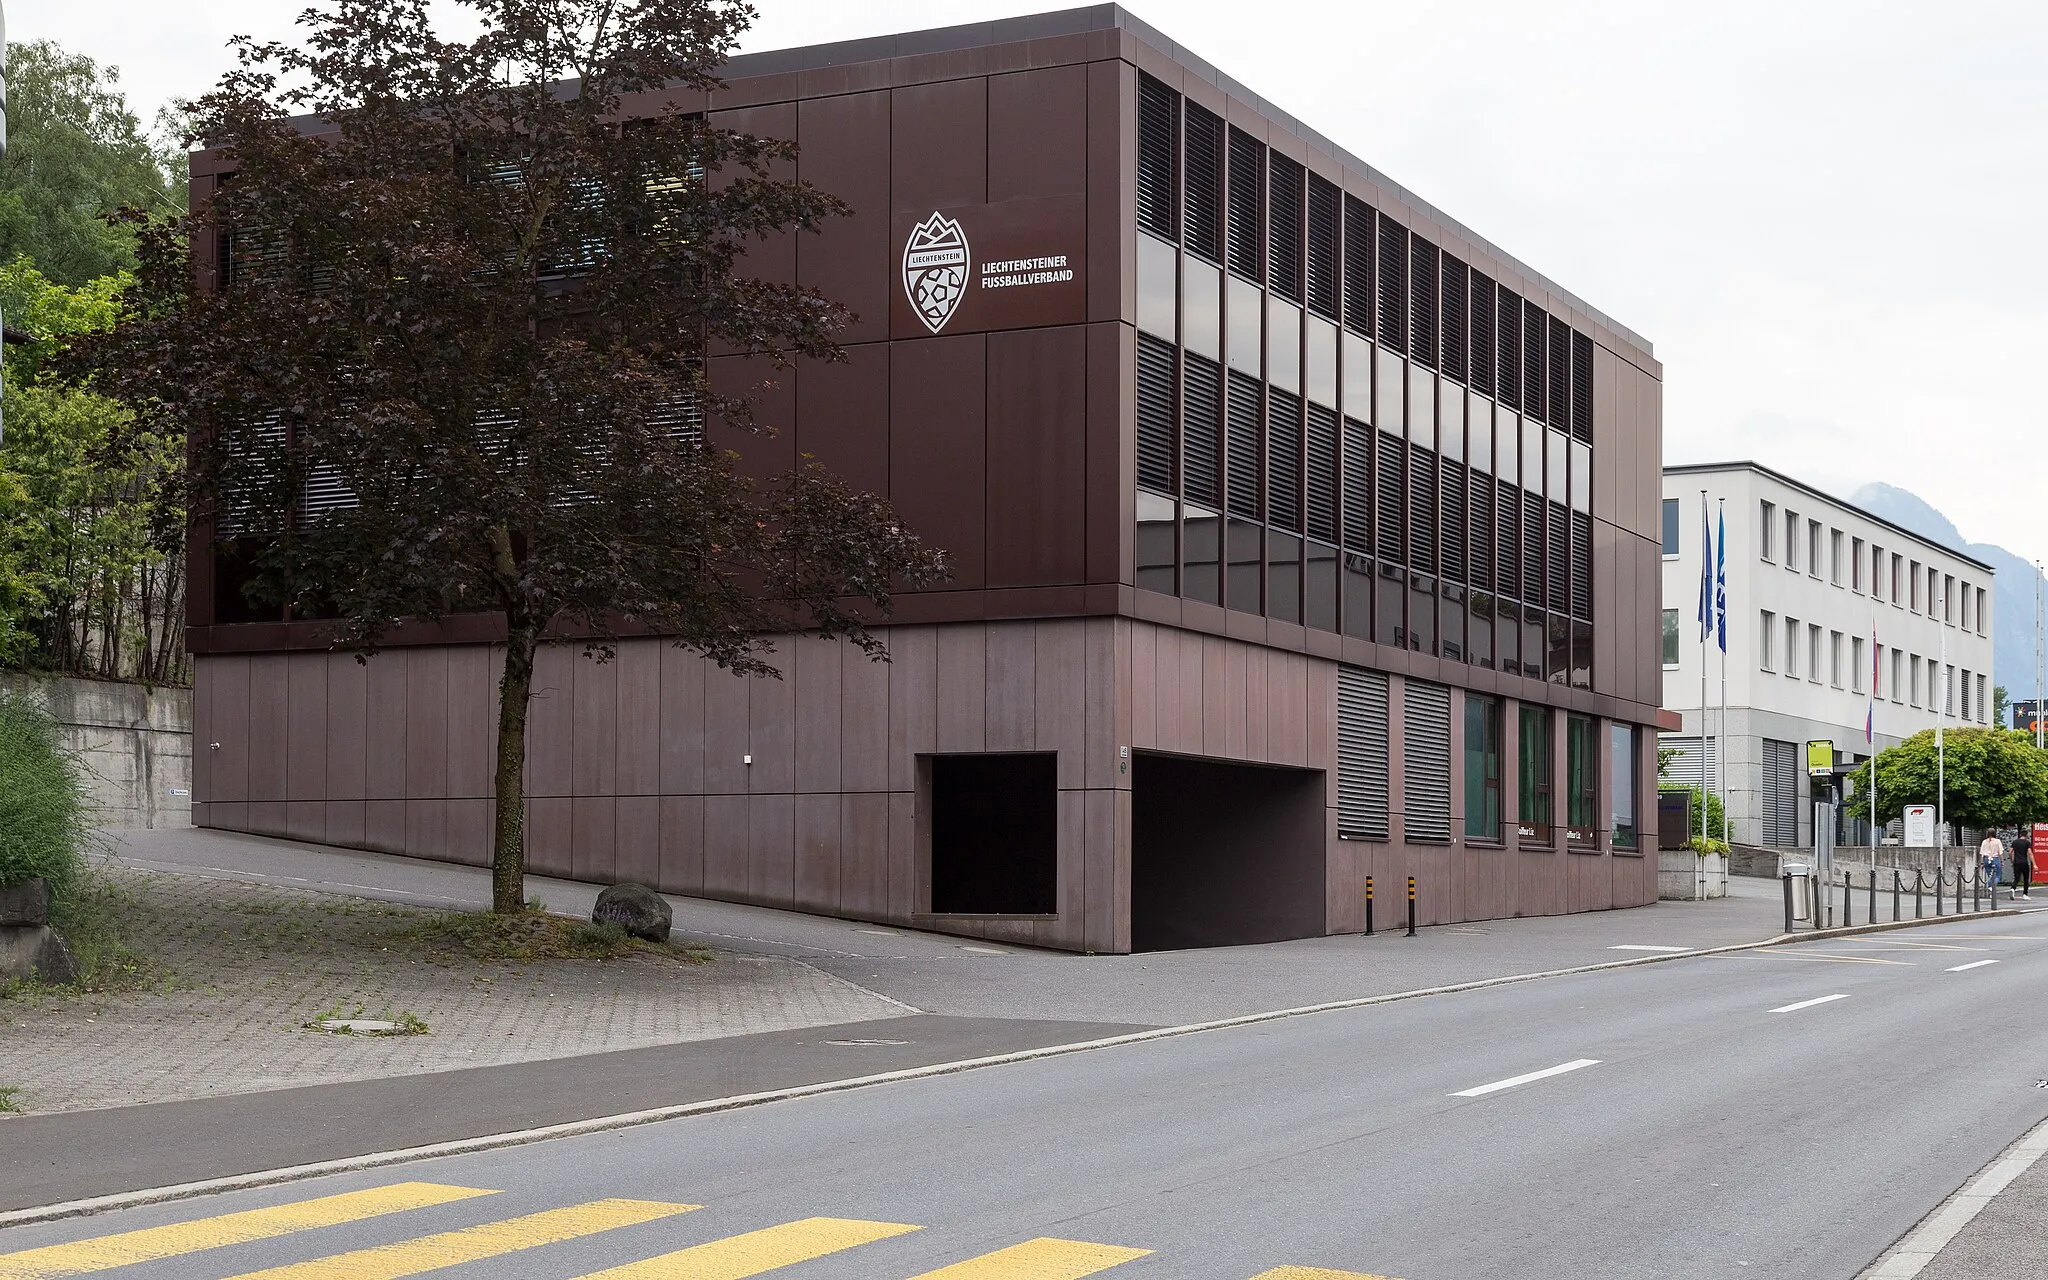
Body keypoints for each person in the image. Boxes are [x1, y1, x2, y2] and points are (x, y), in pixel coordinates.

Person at [1978, 830, 2005, 902]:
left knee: (1989, 875)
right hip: (1995, 859)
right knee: (1998, 875)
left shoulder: (1984, 841)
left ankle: (1990, 887)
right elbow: (2000, 852)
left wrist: (1982, 862)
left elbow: (1981, 853)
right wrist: (2002, 861)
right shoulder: (1997, 841)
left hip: (1986, 859)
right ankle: (1992, 887)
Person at [2013, 830, 2034, 902]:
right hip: (2024, 862)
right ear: (2026, 835)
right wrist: (2034, 864)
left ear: (2020, 835)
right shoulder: (2027, 843)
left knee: (2016, 878)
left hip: (2016, 862)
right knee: (2026, 878)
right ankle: (2025, 894)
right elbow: (2030, 853)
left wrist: (2012, 860)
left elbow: (2010, 852)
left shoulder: (2015, 842)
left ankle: (2013, 888)